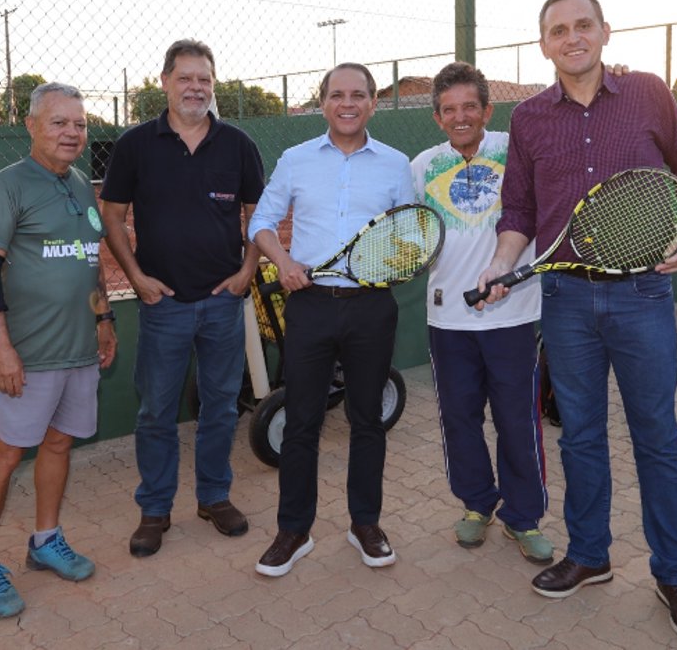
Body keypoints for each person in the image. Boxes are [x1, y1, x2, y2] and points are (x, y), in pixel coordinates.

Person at [478, 0, 677, 642]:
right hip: (566, 300)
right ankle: (589, 555)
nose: (572, 37)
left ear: (605, 31)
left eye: (583, 25)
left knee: (656, 436)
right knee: (579, 435)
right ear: (544, 44)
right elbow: (519, 211)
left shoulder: (648, 93)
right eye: (558, 30)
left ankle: (675, 574)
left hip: (643, 294)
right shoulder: (528, 118)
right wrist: (499, 263)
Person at [99, 39, 265, 558]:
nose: (196, 88)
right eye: (186, 78)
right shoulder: (135, 145)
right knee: (156, 412)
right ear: (165, 81)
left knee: (220, 407)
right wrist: (137, 278)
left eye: (204, 79)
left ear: (213, 85)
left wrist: (246, 272)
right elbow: (112, 216)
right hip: (162, 305)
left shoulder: (238, 145)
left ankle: (214, 497)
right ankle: (155, 508)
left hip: (222, 303)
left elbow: (258, 215)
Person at [249, 62, 415, 577]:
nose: (348, 103)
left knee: (367, 419)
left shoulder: (395, 164)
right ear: (322, 102)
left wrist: (398, 259)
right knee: (302, 420)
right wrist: (284, 261)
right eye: (338, 94)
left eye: (358, 95)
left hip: (371, 306)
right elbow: (261, 222)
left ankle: (365, 524)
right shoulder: (295, 159)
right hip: (311, 304)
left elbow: (410, 234)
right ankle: (293, 531)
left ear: (372, 103)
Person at [0, 82, 117, 619]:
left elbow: (90, 262)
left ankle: (45, 540)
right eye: (59, 122)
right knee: (5, 455)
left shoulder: (80, 184)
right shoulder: (8, 185)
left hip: (79, 352)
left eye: (80, 124)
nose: (72, 132)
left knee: (58, 445)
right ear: (31, 126)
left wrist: (104, 318)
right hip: (28, 356)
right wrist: (1, 350)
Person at [410, 62, 552, 564]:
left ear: (488, 111)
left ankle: (523, 517)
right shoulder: (422, 166)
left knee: (517, 420)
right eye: (449, 110)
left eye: (470, 106)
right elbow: (414, 235)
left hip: (513, 316)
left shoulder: (517, 151)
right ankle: (476, 504)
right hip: (448, 321)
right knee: (459, 418)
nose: (460, 117)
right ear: (437, 117)